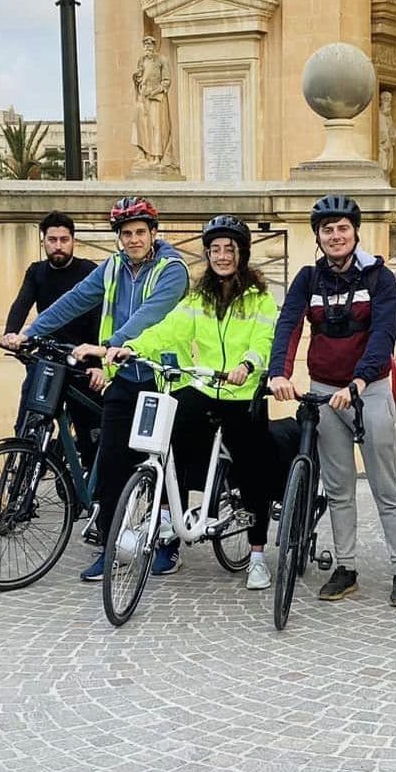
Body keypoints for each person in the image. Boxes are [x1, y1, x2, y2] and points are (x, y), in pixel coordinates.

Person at [3, 197, 189, 580]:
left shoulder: (173, 270)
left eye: (140, 232)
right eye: (126, 234)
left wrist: (109, 348)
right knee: (111, 463)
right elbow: (72, 301)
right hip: (123, 377)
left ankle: (168, 544)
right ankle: (109, 548)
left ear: (154, 233)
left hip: (161, 376)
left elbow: (148, 317)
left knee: (165, 463)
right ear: (118, 237)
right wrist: (29, 334)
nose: (133, 239)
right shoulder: (113, 267)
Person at [112, 215, 282, 591]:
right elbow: (169, 329)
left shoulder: (259, 299)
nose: (221, 256)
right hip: (204, 386)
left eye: (229, 249)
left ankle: (256, 556)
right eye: (215, 249)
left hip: (241, 392)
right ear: (207, 254)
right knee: (172, 427)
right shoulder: (198, 297)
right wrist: (131, 347)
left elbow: (265, 339)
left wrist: (247, 365)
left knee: (254, 468)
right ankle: (170, 515)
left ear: (241, 254)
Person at [267, 194, 396, 607]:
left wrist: (360, 382)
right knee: (338, 487)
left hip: (370, 391)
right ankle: (345, 567)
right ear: (318, 236)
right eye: (327, 230)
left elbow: (384, 334)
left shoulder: (379, 278)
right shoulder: (308, 279)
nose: (335, 236)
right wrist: (280, 371)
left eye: (342, 228)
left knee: (386, 485)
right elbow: (289, 325)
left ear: (355, 232)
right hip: (325, 393)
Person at [5, 211, 100, 464]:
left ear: (73, 241)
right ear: (43, 241)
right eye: (52, 239)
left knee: (90, 430)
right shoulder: (36, 272)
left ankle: (90, 489)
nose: (58, 246)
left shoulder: (89, 271)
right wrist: (11, 333)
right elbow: (21, 304)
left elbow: (99, 319)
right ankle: (20, 483)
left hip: (83, 361)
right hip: (47, 359)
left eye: (64, 239)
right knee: (28, 424)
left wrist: (97, 363)